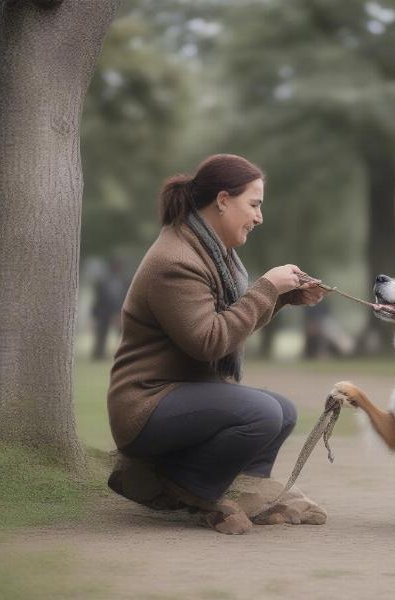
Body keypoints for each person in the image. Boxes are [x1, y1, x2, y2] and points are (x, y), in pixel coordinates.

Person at [107, 154, 328, 534]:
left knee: (283, 411)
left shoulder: (210, 251)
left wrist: (280, 298)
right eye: (254, 205)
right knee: (262, 414)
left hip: (179, 394)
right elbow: (210, 342)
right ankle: (182, 486)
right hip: (145, 405)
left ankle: (243, 493)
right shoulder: (175, 261)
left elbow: (226, 328)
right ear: (223, 200)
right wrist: (266, 289)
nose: (259, 217)